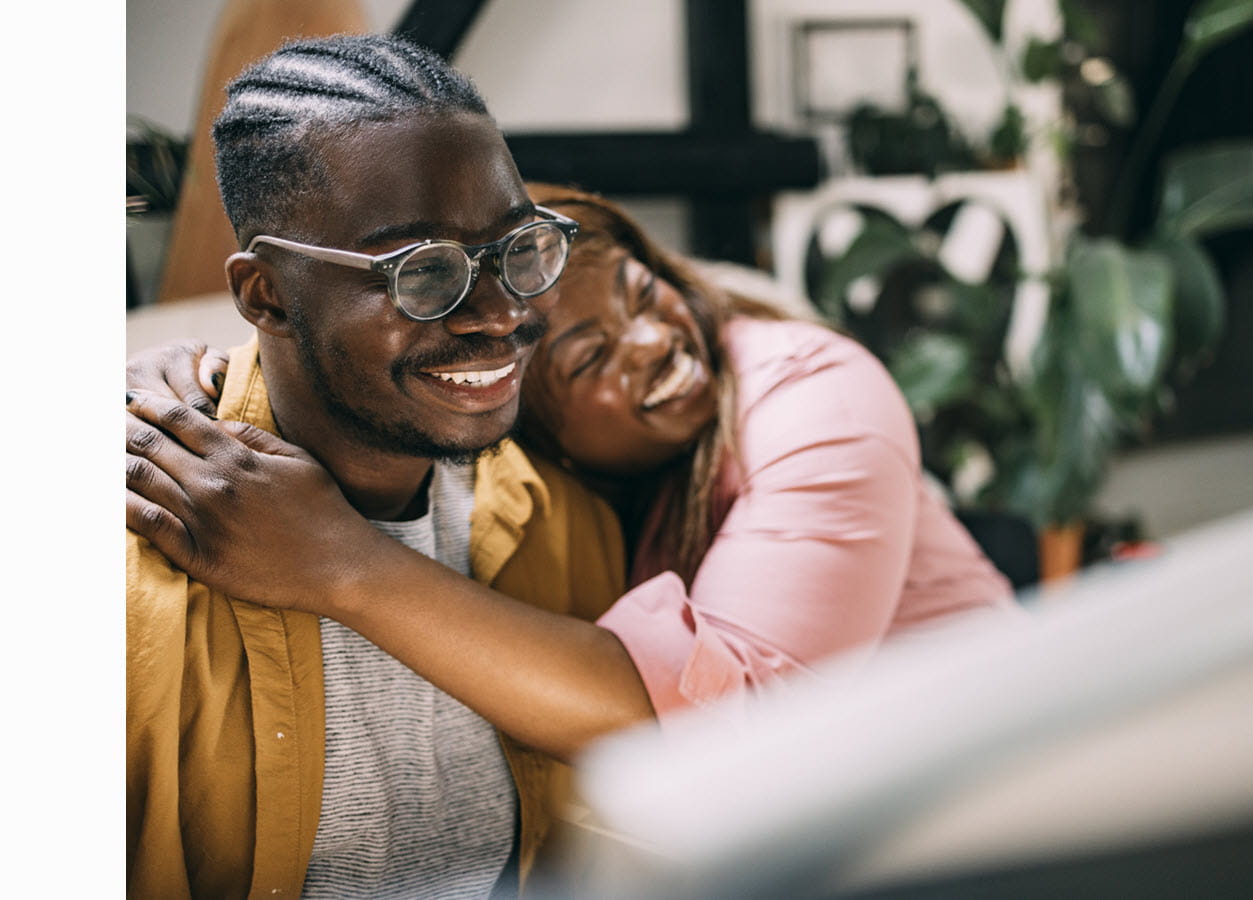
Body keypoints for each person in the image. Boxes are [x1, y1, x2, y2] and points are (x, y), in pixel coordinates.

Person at [128, 191, 1018, 731]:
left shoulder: (813, 386)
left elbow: (740, 713)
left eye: (643, 290)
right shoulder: (544, 491)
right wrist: (182, 372)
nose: (655, 338)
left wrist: (338, 562)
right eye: (592, 360)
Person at [123, 34, 638, 899]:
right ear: (265, 295)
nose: (495, 315)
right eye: (422, 271)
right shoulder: (130, 572)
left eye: (519, 248)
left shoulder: (561, 521)